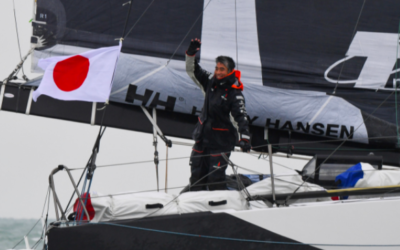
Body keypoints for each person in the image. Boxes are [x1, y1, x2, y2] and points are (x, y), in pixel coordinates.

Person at [185, 38, 251, 191]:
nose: (218, 72)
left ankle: (217, 205)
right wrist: (191, 54)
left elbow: (240, 118)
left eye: (222, 69)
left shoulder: (235, 93)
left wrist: (245, 138)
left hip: (221, 143)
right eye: (217, 68)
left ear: (230, 71)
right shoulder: (210, 81)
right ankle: (195, 204)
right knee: (196, 175)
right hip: (202, 139)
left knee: (215, 179)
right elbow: (192, 70)